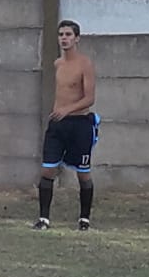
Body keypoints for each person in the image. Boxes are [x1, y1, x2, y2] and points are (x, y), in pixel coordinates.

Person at [34, 19, 100, 231]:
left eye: (68, 34)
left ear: (77, 38)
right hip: (58, 124)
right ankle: (43, 219)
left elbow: (89, 98)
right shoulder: (58, 64)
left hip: (79, 124)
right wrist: (59, 112)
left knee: (83, 173)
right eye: (61, 34)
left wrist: (68, 109)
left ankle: (84, 219)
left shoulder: (85, 64)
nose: (64, 38)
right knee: (47, 170)